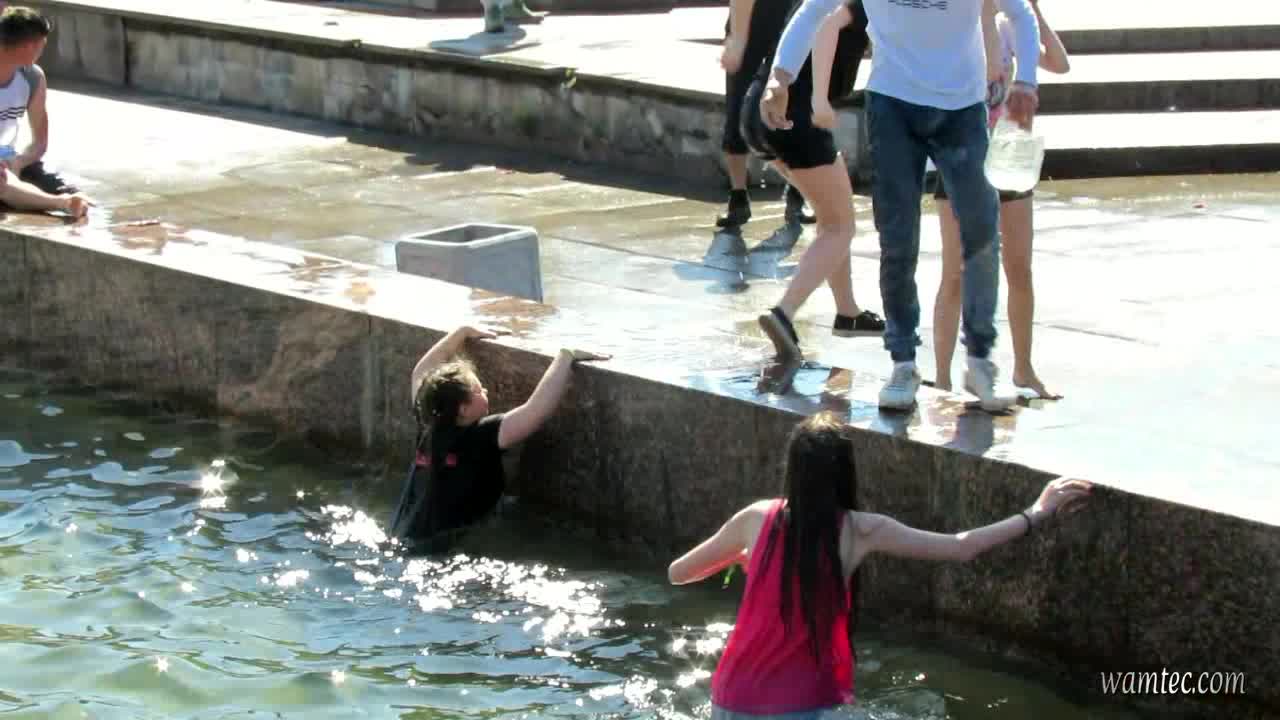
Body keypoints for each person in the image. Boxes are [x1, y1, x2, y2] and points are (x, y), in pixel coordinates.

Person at [668, 411, 1091, 718]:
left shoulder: (757, 518)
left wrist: (743, 555)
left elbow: (678, 573)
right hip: (797, 704)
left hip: (731, 696)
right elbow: (962, 547)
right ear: (844, 472)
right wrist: (1036, 512)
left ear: (793, 469)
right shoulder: (860, 529)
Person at [762, 0, 1043, 411]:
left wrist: (1027, 81)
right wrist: (780, 76)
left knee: (982, 233)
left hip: (963, 108)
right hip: (892, 104)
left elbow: (1021, 13)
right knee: (897, 238)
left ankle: (980, 362)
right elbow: (813, 10)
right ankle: (903, 362)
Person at [932, 0, 1069, 399]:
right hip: (962, 153)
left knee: (1019, 267)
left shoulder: (1014, 27)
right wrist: (985, 16)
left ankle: (1023, 368)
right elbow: (991, 69)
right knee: (955, 271)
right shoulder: (956, 29)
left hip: (1010, 151)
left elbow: (1059, 64)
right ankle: (941, 378)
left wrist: (1034, 12)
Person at [738, 0, 884, 360]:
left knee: (833, 218)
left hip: (759, 110)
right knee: (840, 227)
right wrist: (819, 99)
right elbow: (827, 23)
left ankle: (848, 312)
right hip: (796, 116)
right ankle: (784, 313)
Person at [389, 326, 607, 552]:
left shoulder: (429, 423)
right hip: (437, 547)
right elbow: (535, 411)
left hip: (402, 534)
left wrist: (461, 332)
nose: (485, 390)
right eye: (478, 390)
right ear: (463, 409)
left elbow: (421, 372)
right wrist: (566, 357)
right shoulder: (482, 435)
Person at [717, 0, 814, 230]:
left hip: (790, 24)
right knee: (738, 109)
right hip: (750, 25)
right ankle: (738, 196)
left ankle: (798, 192)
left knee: (791, 112)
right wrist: (738, 39)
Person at [0, 6, 88, 218]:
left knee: (64, 187)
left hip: (10, 161)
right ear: (30, 45)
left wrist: (18, 161)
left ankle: (65, 200)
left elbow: (39, 143)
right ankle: (61, 203)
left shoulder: (33, 78)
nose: (42, 50)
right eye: (42, 44)